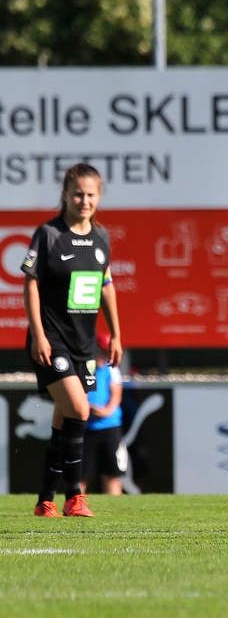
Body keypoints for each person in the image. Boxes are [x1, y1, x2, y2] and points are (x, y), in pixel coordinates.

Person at [24, 163, 123, 518]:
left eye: (91, 195)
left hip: (83, 345)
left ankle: (44, 500)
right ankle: (73, 496)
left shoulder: (102, 238)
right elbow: (31, 282)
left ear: (99, 197)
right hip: (52, 340)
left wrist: (115, 334)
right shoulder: (48, 234)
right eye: (78, 193)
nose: (84, 200)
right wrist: (37, 333)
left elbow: (106, 286)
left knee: (64, 420)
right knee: (80, 410)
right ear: (65, 194)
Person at [81, 331, 125, 495]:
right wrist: (87, 407)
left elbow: (116, 394)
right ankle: (76, 505)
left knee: (112, 473)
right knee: (81, 474)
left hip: (109, 425)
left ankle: (116, 512)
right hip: (86, 427)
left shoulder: (111, 367)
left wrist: (105, 411)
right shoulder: (85, 367)